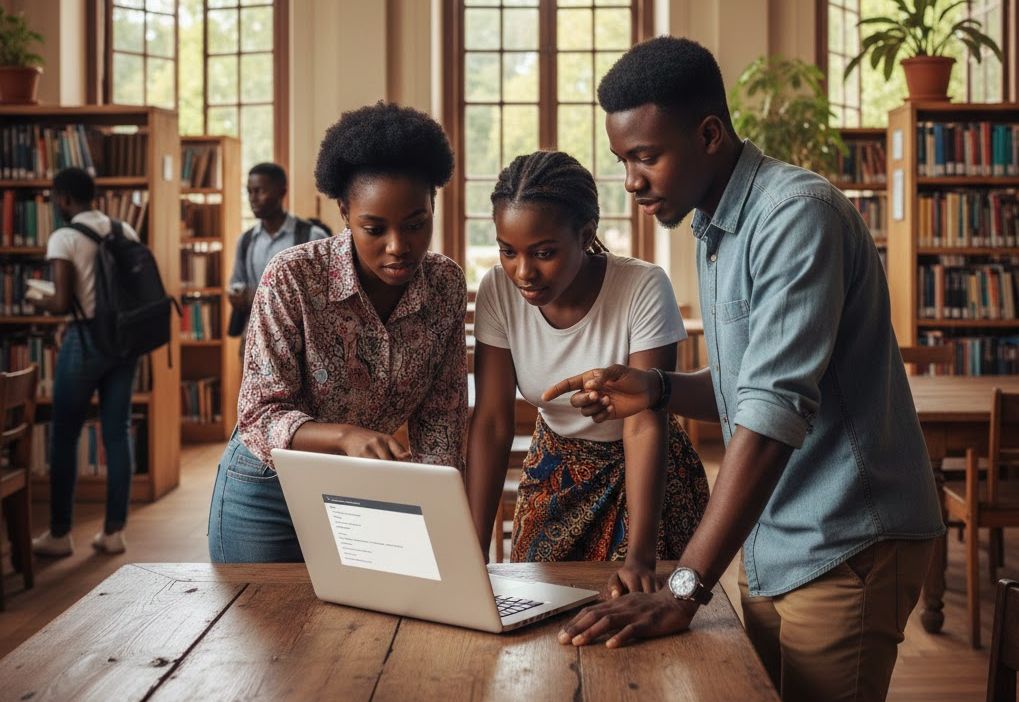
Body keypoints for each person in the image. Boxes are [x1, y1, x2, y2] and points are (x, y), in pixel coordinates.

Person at [542, 37, 944, 702]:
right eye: (622, 160)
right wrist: (660, 387)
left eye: (646, 156)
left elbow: (771, 410)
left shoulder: (794, 215)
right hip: (774, 539)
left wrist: (684, 587)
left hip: (845, 541)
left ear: (707, 134)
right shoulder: (715, 225)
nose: (631, 181)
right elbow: (745, 384)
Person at [208, 102, 468, 563]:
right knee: (263, 632)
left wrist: (446, 523)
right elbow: (259, 414)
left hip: (368, 490)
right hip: (269, 491)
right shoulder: (293, 277)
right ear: (345, 212)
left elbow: (442, 417)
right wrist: (345, 436)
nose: (398, 246)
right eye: (375, 228)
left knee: (362, 630)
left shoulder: (444, 284)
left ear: (433, 205)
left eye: (415, 224)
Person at [466, 150, 708, 595]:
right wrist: (472, 551)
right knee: (535, 605)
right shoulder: (497, 291)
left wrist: (640, 554)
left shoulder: (642, 287)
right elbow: (493, 423)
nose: (524, 272)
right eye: (507, 251)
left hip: (645, 471)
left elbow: (642, 421)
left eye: (544, 253)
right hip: (555, 470)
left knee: (634, 612)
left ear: (586, 234)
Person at [29, 167, 144, 556]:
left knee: (65, 435)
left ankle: (60, 534)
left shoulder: (64, 237)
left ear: (64, 198)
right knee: (117, 433)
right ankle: (114, 532)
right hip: (125, 341)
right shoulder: (123, 229)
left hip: (85, 341)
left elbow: (61, 302)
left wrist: (36, 298)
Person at [226, 162, 329, 346]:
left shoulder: (312, 236)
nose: (253, 198)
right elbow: (236, 282)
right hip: (255, 340)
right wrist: (236, 294)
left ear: (282, 193)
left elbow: (329, 291)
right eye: (249, 191)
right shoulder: (246, 240)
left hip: (302, 342)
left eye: (259, 191)